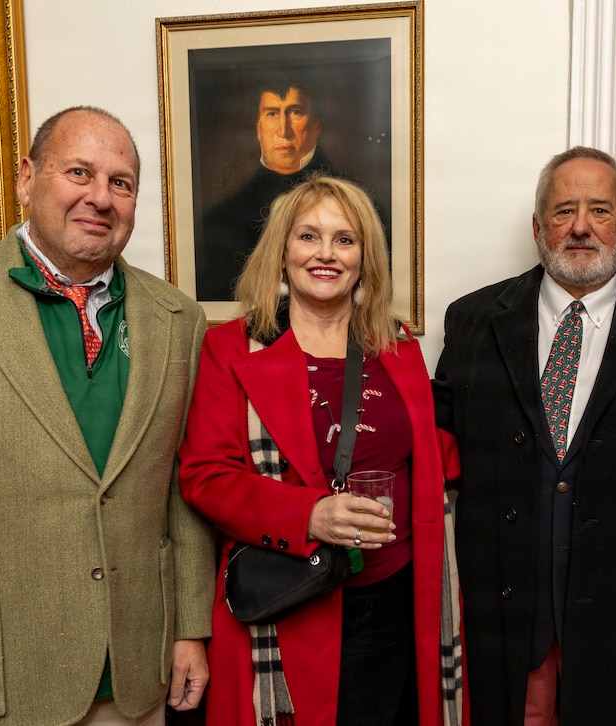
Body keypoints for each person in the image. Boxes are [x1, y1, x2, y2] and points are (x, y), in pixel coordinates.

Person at [0, 106, 214, 725]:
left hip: (134, 674)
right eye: (79, 172)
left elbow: (183, 490)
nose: (100, 198)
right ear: (26, 178)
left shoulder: (178, 320)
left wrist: (191, 626)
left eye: (120, 183)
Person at [433, 146, 616, 724]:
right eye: (563, 210)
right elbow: (441, 450)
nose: (580, 227)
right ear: (538, 226)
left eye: (600, 210)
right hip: (506, 610)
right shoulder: (473, 321)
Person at [178, 174, 462, 726]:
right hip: (290, 597)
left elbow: (431, 451)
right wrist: (308, 514)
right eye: (308, 237)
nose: (326, 254)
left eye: (345, 239)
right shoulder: (229, 347)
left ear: (364, 258)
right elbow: (205, 476)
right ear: (281, 252)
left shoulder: (397, 346)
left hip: (396, 598)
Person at [194, 74, 337, 302]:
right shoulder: (217, 222)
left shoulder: (358, 209)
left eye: (295, 112)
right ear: (258, 129)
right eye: (272, 113)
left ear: (316, 125)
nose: (283, 129)